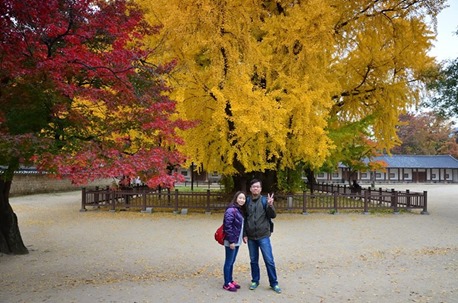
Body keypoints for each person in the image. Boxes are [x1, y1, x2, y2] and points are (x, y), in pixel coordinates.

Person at [243, 179, 281, 294]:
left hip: (263, 236)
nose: (255, 188)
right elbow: (244, 219)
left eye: (258, 187)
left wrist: (270, 205)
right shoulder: (247, 201)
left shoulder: (265, 201)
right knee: (253, 260)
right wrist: (244, 234)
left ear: (260, 189)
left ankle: (274, 282)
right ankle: (255, 280)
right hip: (251, 237)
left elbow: (272, 216)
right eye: (253, 187)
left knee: (269, 260)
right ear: (250, 189)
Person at [222, 191, 246, 292]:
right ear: (236, 198)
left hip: (237, 240)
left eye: (243, 198)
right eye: (240, 198)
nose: (242, 200)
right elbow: (228, 226)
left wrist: (244, 236)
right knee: (229, 261)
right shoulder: (231, 210)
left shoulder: (239, 210)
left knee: (232, 261)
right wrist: (231, 241)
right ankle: (226, 283)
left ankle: (230, 280)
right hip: (231, 240)